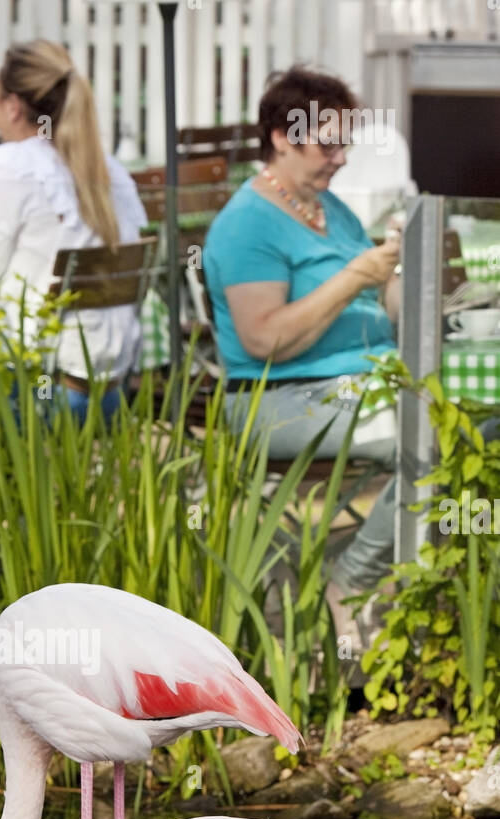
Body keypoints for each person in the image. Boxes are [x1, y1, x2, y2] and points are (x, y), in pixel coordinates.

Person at [203, 65, 403, 629]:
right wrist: (355, 276)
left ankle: (422, 585)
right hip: (279, 401)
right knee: (430, 432)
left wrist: (399, 277)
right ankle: (354, 582)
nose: (341, 157)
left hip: (361, 385)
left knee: (479, 424)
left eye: (346, 143)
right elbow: (264, 340)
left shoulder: (330, 209)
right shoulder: (246, 223)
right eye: (330, 143)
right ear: (283, 138)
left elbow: (379, 311)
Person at [0, 40, 148, 423]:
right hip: (110, 395)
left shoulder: (9, 167)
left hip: (38, 399)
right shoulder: (112, 171)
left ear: (12, 105)